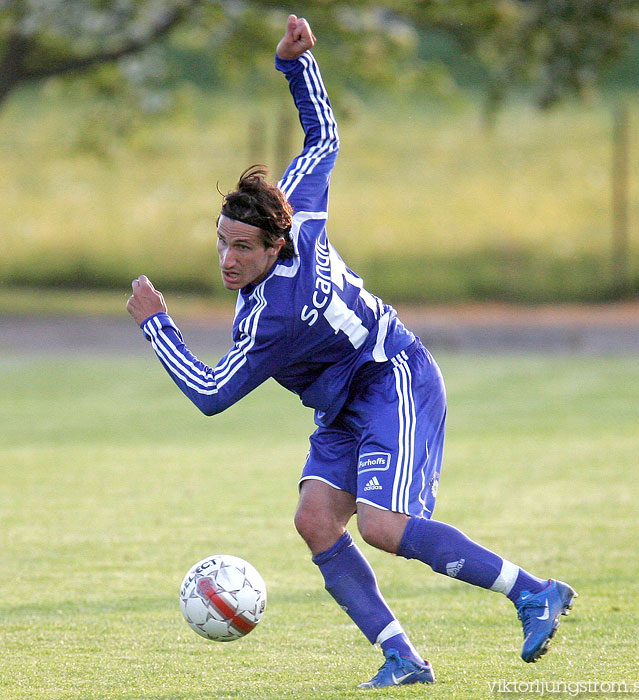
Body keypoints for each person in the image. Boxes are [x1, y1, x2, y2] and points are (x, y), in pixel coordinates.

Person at [127, 14, 576, 689]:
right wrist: (294, 65)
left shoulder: (271, 318)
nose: (226, 257)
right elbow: (324, 135)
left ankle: (533, 592)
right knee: (315, 520)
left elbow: (212, 394)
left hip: (390, 375)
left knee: (384, 527)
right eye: (220, 240)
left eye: (240, 247)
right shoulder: (298, 209)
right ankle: (402, 658)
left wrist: (157, 325)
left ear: (274, 245)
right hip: (342, 402)